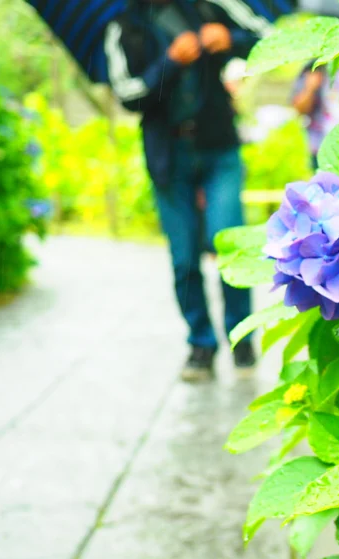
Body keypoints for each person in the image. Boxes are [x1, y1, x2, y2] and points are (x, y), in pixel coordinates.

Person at [104, 0, 269, 380]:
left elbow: (266, 39)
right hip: (169, 158)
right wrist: (171, 62)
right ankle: (200, 344)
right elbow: (128, 94)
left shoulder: (212, 6)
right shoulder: (123, 26)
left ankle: (241, 337)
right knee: (184, 258)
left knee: (230, 244)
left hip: (219, 149)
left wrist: (231, 38)